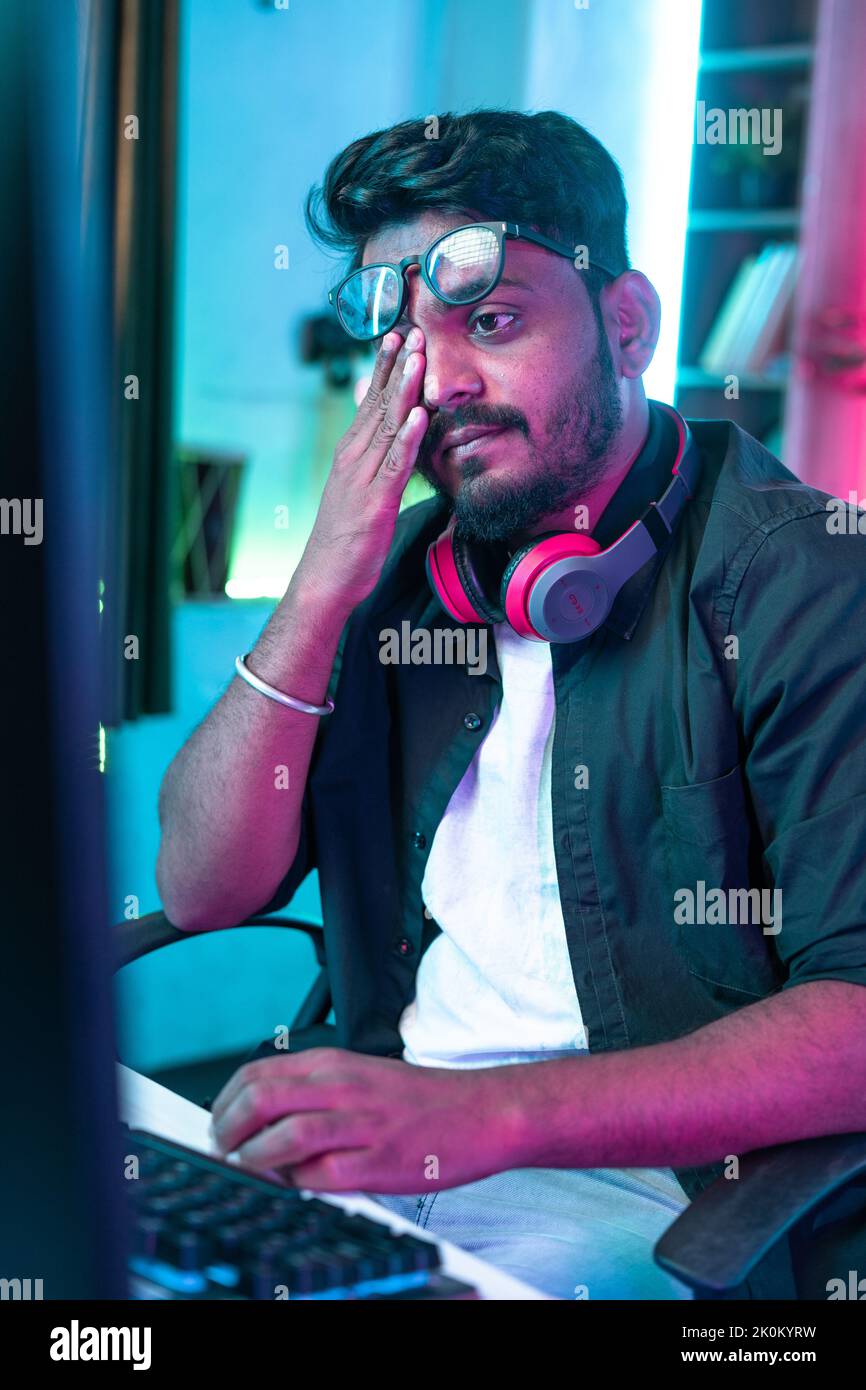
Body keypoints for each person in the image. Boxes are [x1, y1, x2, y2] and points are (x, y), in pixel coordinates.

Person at [156, 110, 866, 1300]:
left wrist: (482, 1115)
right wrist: (319, 586)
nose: (443, 387)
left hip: (661, 1197)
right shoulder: (398, 574)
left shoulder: (805, 578)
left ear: (625, 325)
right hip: (385, 1153)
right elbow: (201, 884)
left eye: (492, 322)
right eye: (408, 349)